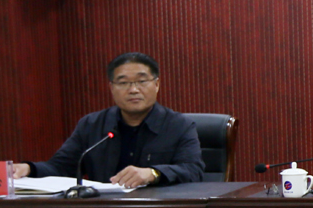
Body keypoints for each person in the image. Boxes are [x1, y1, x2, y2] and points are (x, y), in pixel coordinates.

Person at [12, 53, 203, 188]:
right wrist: (29, 168)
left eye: (142, 81)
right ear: (112, 87)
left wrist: (153, 173)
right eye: (123, 83)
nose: (133, 89)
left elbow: (193, 171)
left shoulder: (179, 125)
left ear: (157, 84)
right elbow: (61, 167)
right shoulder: (92, 125)